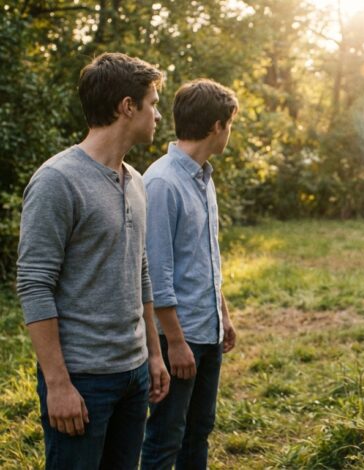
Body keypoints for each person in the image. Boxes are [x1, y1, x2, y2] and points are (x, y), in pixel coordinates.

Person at [16, 52, 170, 469]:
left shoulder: (136, 181)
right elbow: (34, 283)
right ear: (127, 106)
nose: (157, 114)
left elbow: (141, 274)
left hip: (134, 374)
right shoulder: (57, 181)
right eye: (152, 103)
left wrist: (153, 355)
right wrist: (58, 384)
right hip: (82, 380)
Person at [140, 79, 238, 469]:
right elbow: (156, 273)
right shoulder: (163, 182)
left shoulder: (203, 177)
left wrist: (224, 316)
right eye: (229, 124)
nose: (230, 132)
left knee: (200, 428)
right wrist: (176, 343)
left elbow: (204, 256)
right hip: (177, 338)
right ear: (216, 126)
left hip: (207, 330)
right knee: (166, 436)